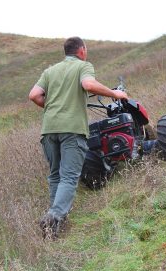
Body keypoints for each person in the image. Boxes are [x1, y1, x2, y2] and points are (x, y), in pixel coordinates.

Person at [29, 36, 128, 239]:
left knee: (55, 175)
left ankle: (52, 228)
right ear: (82, 50)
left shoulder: (50, 71)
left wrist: (52, 107)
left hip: (49, 129)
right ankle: (54, 216)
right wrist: (115, 94)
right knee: (69, 176)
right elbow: (89, 85)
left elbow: (34, 95)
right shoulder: (83, 66)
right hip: (72, 129)